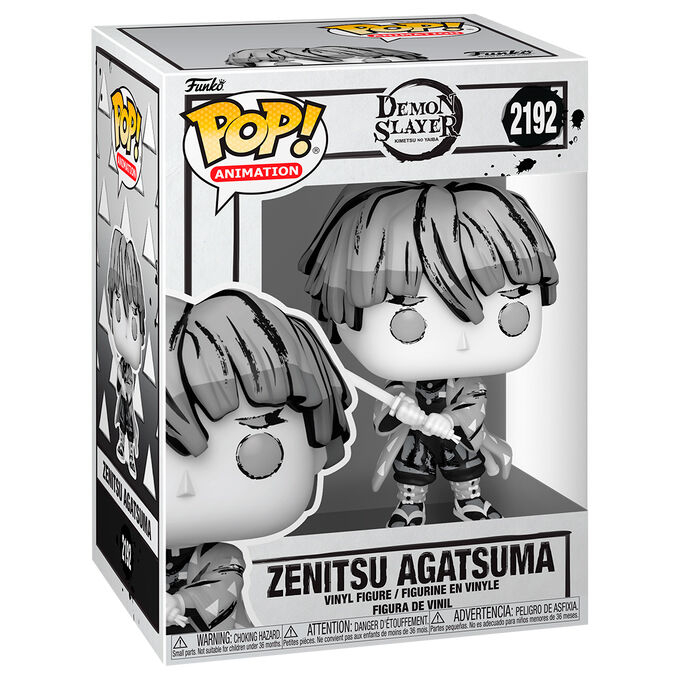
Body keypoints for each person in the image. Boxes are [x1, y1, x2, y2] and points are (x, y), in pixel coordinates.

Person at [299, 181, 558, 527]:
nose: (462, 341)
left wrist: (450, 420)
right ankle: (410, 505)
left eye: (512, 312)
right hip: (416, 435)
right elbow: (387, 406)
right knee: (412, 467)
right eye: (408, 321)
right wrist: (400, 406)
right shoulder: (404, 379)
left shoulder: (466, 383)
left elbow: (473, 402)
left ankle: (469, 500)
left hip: (455, 435)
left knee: (464, 465)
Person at [164, 289, 354, 630]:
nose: (185, 485)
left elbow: (220, 588)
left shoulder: (220, 557)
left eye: (255, 451)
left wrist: (180, 602)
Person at [106, 229, 146, 479]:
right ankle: (124, 446)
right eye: (119, 313)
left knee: (129, 428)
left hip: (129, 410)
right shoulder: (123, 366)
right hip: (125, 408)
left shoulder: (130, 371)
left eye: (133, 318)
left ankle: (129, 450)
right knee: (124, 425)